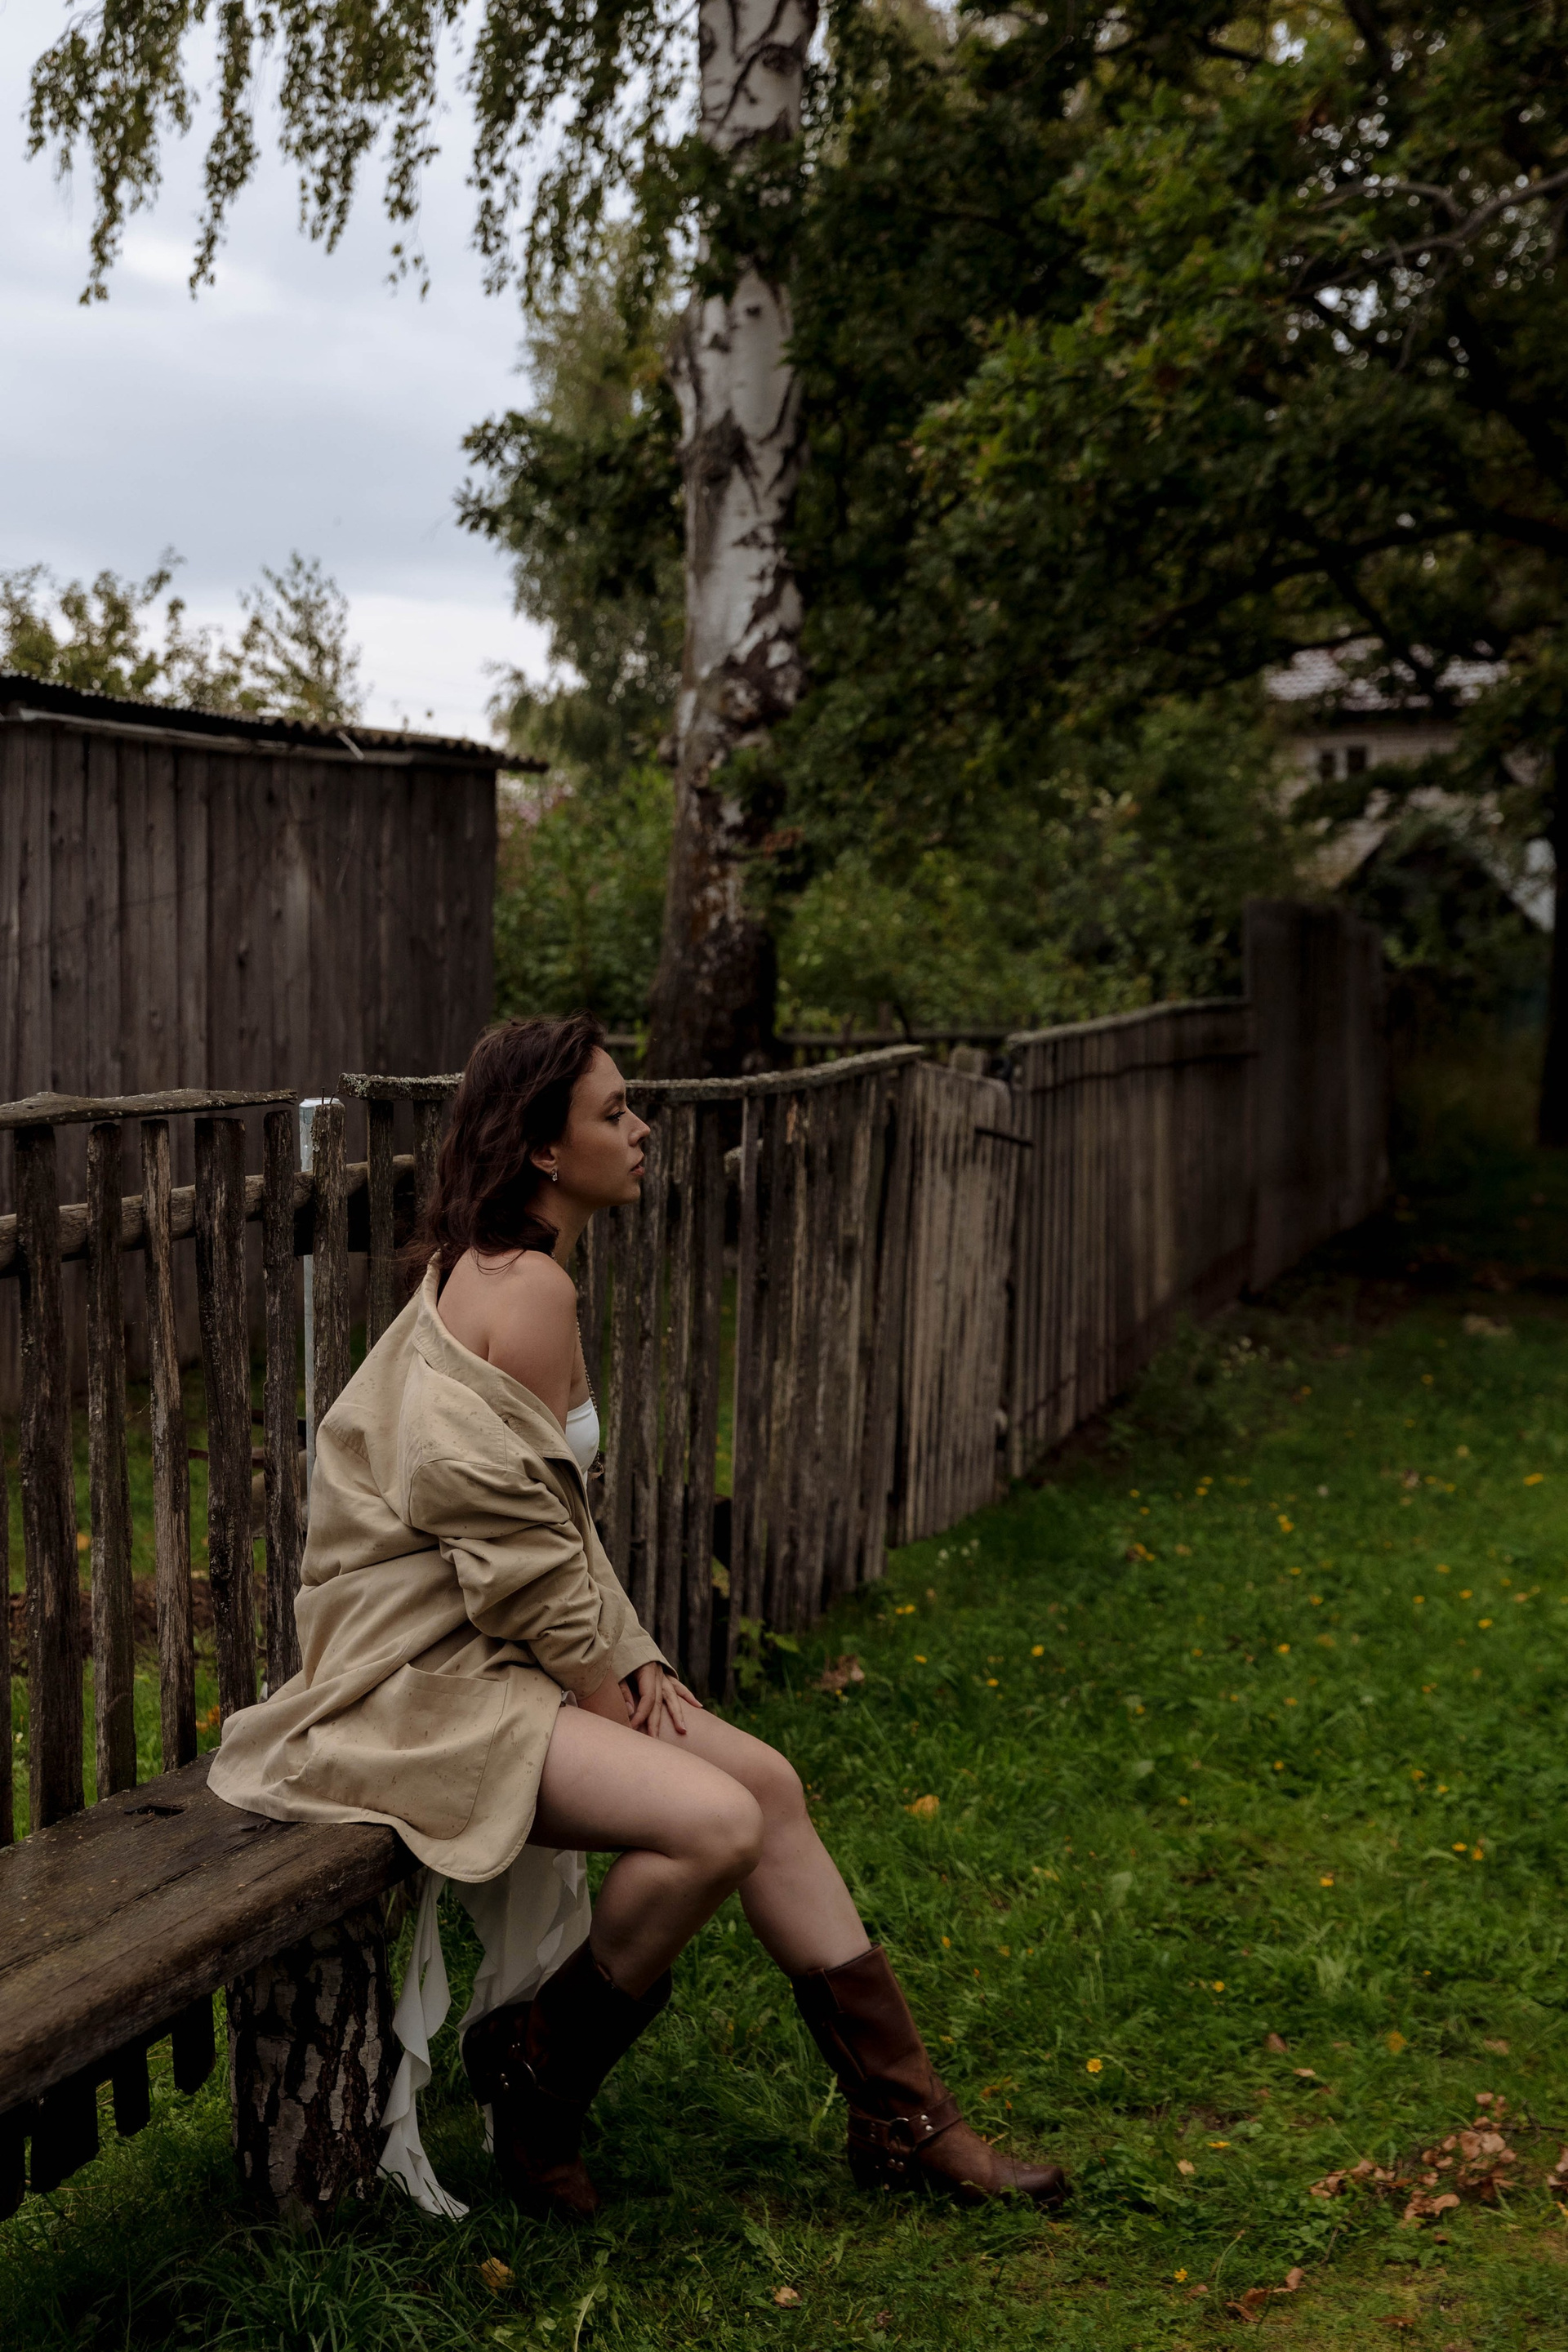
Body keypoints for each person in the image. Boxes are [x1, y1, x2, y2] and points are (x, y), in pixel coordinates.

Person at [210, 1013, 1067, 2221]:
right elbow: (516, 1560)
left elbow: (543, 1530)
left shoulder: (502, 1268)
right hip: (417, 1685)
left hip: (490, 1649)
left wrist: (635, 1656)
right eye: (613, 1112)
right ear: (543, 1149)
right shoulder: (526, 1290)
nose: (642, 1128)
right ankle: (536, 2080)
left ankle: (907, 2121)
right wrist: (611, 1685)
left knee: (769, 1787)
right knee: (716, 1824)